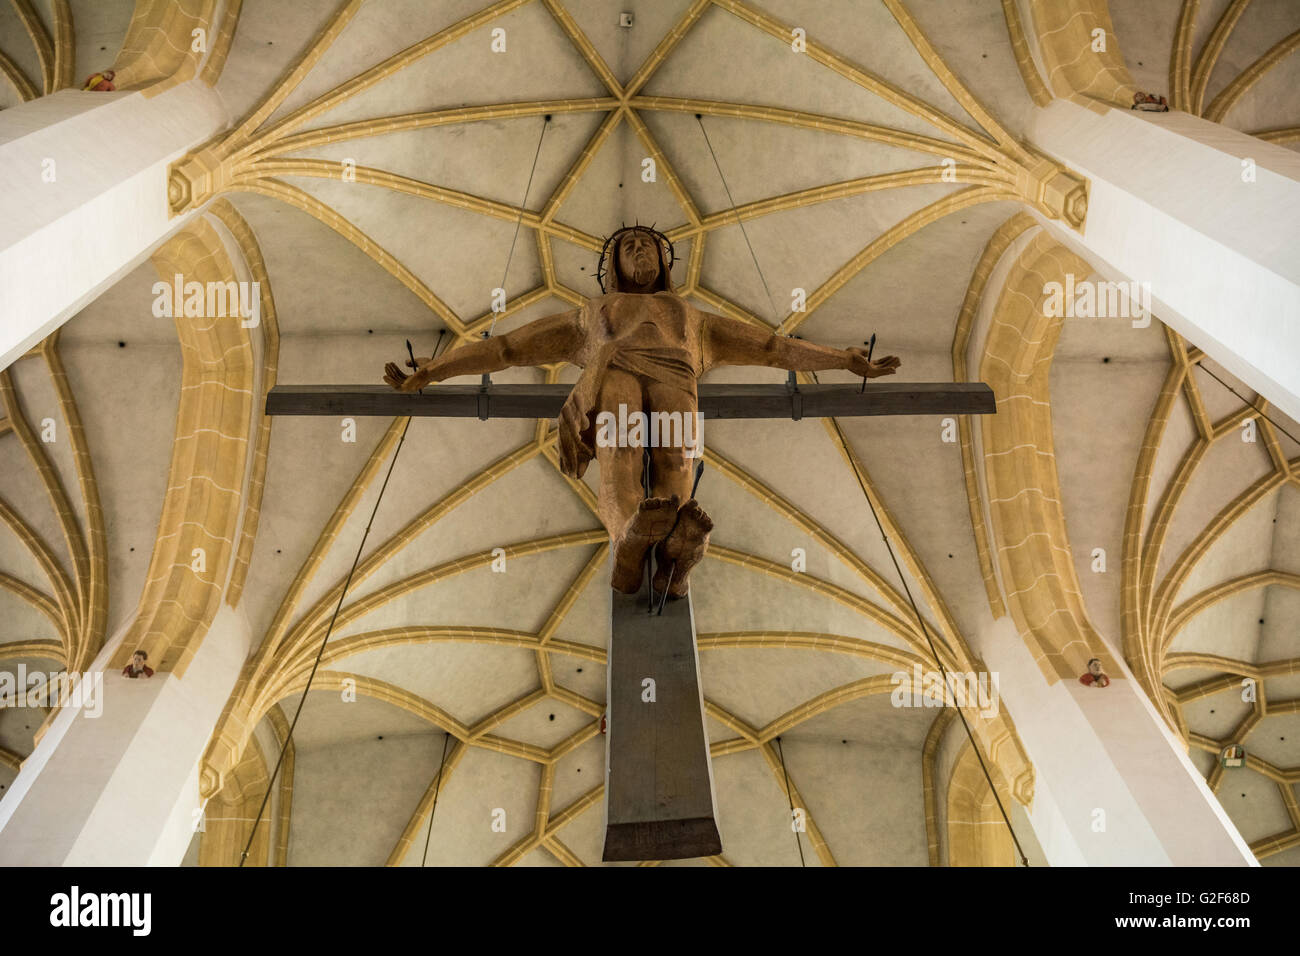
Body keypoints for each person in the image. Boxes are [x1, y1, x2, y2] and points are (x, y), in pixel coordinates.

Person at [384, 224, 899, 598]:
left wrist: (842, 361)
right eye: (629, 247)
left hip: (678, 373)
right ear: (615, 267)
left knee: (677, 459)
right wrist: (437, 369)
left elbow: (770, 347)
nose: (638, 252)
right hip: (615, 371)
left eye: (646, 245)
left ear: (663, 261)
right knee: (621, 454)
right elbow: (507, 350)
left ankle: (678, 555)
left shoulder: (690, 317)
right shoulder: (592, 314)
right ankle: (628, 538)